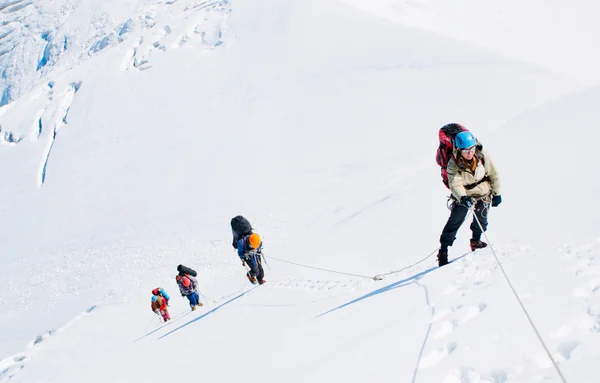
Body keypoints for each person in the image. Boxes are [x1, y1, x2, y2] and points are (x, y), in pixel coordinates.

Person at [438, 131, 501, 267]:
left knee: (482, 217)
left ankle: (476, 241)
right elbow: (455, 183)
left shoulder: (482, 154)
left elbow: (493, 173)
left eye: (471, 149)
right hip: (464, 195)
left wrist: (496, 193)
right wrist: (463, 197)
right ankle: (443, 251)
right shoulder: (453, 164)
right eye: (466, 150)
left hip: (483, 191)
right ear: (459, 150)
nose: (469, 153)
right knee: (455, 220)